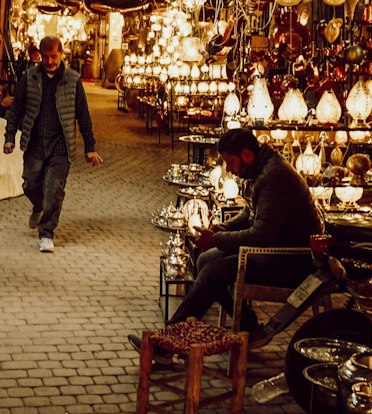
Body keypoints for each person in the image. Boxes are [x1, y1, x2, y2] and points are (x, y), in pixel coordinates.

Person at [135, 127, 321, 347]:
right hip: (273, 251)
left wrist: (216, 240)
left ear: (246, 155)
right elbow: (249, 213)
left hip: (291, 260)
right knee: (205, 260)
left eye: (231, 162)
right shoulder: (260, 170)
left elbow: (261, 235)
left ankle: (168, 340)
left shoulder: (275, 176)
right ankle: (248, 326)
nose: (229, 170)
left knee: (215, 270)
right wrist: (219, 229)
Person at [3, 36, 102, 252]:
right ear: (39, 55)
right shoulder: (29, 78)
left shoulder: (73, 80)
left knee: (54, 190)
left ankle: (46, 233)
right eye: (45, 57)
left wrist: (90, 147)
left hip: (60, 144)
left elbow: (83, 116)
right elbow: (16, 110)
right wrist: (9, 136)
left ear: (61, 54)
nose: (49, 61)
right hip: (35, 142)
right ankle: (38, 206)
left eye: (54, 56)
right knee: (30, 184)